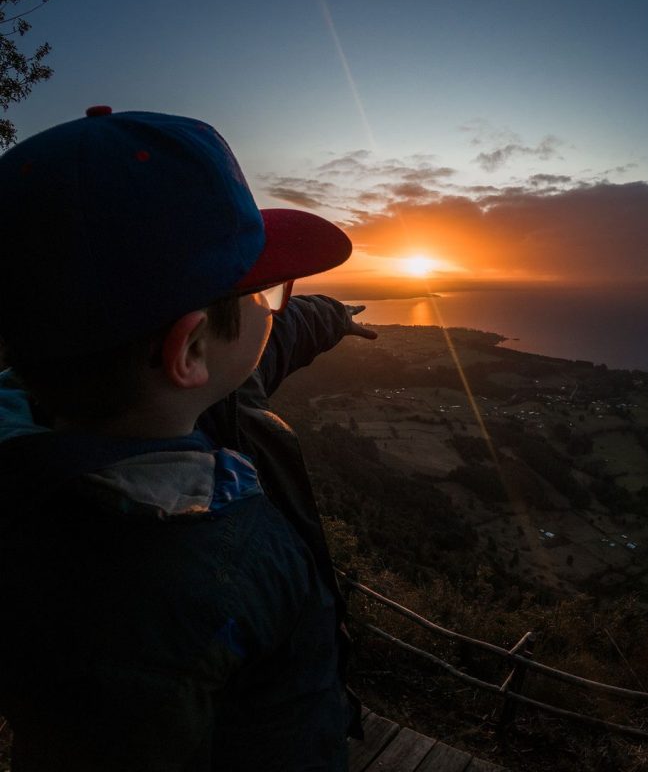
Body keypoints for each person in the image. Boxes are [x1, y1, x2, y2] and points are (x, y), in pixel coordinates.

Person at [0, 107, 376, 771]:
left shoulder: (32, 468)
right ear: (191, 348)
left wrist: (330, 316)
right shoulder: (167, 598)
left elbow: (273, 344)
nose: (274, 307)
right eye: (266, 292)